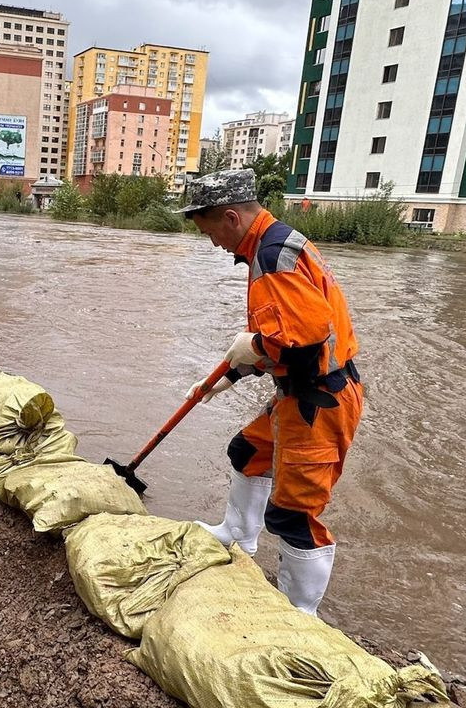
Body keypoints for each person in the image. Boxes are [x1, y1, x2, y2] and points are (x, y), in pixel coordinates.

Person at [178, 168, 364, 618]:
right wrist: (233, 375)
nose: (212, 243)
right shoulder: (269, 245)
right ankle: (238, 535)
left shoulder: (275, 254)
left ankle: (300, 614)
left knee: (293, 515)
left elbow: (306, 337)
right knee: (247, 451)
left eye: (209, 232)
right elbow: (283, 332)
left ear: (230, 218)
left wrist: (254, 348)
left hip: (318, 398)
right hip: (297, 390)